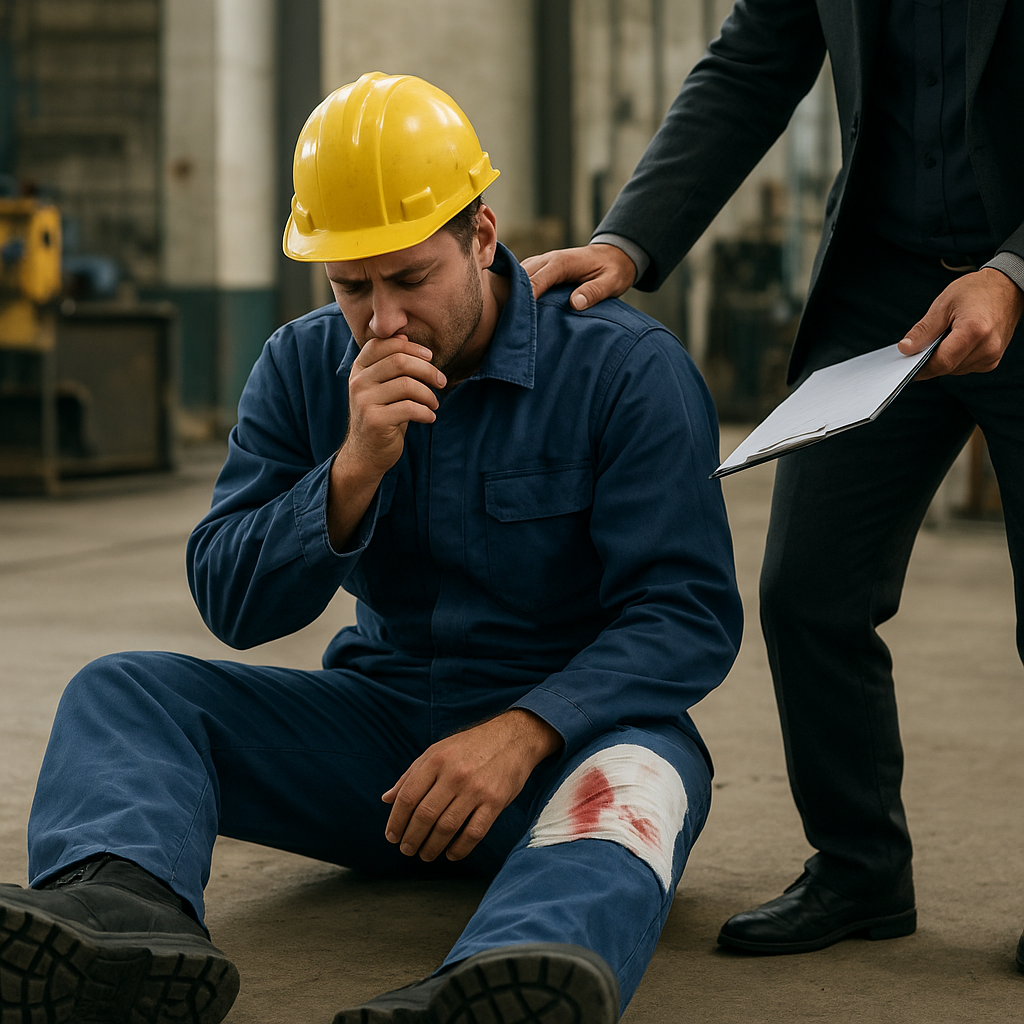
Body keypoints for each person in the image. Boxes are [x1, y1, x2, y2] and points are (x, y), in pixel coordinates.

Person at [0, 73, 742, 1024]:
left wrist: (522, 732)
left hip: (566, 745)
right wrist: (350, 473)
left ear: (483, 235)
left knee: (638, 779)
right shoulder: (304, 364)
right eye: (352, 287)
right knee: (124, 690)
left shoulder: (624, 371)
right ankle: (121, 921)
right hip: (385, 756)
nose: (383, 320)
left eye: (409, 279)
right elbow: (232, 602)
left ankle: (503, 980)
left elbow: (686, 614)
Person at [526, 0, 1024, 969]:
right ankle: (858, 866)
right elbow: (751, 65)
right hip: (884, 290)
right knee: (808, 589)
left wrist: (1012, 271)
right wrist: (628, 240)